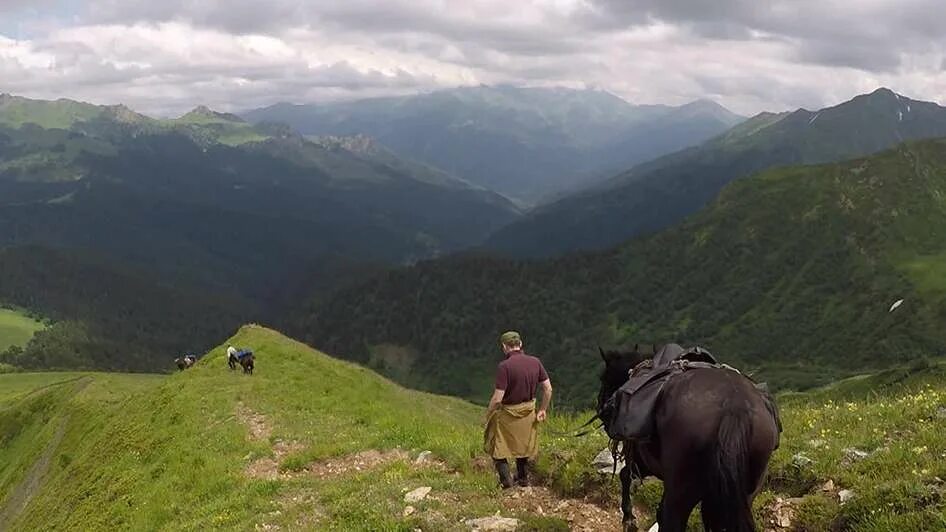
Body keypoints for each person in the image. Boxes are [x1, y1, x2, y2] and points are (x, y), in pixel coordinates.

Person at [483, 331, 553, 489]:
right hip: (528, 412)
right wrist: (543, 409)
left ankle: (506, 480)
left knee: (496, 445)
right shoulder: (535, 362)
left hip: (507, 413)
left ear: (504, 347)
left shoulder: (504, 366)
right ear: (520, 344)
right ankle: (522, 478)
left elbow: (497, 398)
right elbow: (548, 389)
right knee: (523, 445)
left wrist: (487, 416)